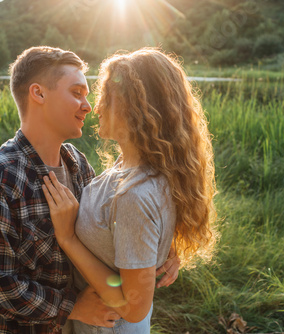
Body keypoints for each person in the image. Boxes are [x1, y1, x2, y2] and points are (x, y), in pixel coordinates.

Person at [0, 46, 180, 334]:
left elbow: (106, 232)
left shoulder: (77, 163)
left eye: (87, 95)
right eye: (77, 93)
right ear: (38, 94)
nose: (89, 106)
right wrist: (73, 308)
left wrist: (163, 250)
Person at [42, 48, 218, 333]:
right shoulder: (136, 169)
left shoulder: (133, 194)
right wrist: (163, 251)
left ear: (135, 107)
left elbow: (134, 308)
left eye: (106, 98)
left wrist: (68, 238)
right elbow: (137, 230)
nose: (95, 107)